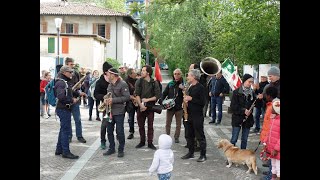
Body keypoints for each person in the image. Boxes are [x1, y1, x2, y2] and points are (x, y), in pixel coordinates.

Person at [102, 68, 130, 157]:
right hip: (109, 111)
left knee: (120, 131)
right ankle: (111, 148)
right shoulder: (109, 85)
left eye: (109, 74)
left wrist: (113, 100)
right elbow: (108, 95)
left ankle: (121, 149)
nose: (107, 75)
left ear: (113, 75)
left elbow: (127, 97)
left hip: (119, 111)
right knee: (109, 130)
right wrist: (105, 99)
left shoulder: (123, 84)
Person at [181, 69, 207, 162]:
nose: (187, 77)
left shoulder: (201, 87)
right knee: (189, 134)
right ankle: (190, 152)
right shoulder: (190, 87)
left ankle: (203, 155)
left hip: (197, 115)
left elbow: (202, 102)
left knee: (199, 135)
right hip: (188, 114)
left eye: (189, 75)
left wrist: (191, 98)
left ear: (194, 77)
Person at [54, 66, 79, 159]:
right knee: (66, 131)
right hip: (63, 109)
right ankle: (66, 152)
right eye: (70, 72)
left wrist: (77, 94)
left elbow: (67, 92)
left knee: (63, 129)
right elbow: (61, 96)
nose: (72, 74)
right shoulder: (61, 82)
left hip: (63, 109)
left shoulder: (64, 81)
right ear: (64, 72)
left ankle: (59, 149)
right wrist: (72, 100)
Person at [135, 65, 161, 150]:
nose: (141, 72)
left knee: (150, 125)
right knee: (140, 125)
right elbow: (137, 95)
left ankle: (150, 142)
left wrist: (147, 100)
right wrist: (141, 105)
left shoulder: (154, 82)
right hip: (141, 107)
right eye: (142, 70)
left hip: (150, 107)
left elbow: (157, 96)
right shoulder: (139, 81)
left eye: (143, 70)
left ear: (148, 72)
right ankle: (142, 141)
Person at [230, 74, 256, 149]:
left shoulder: (253, 93)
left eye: (252, 82)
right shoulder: (236, 92)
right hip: (237, 119)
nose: (250, 84)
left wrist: (260, 99)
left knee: (244, 139)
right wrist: (244, 110)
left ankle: (243, 156)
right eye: (249, 82)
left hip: (248, 119)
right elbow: (233, 107)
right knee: (234, 139)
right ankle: (231, 157)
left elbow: (257, 105)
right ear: (244, 81)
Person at [65, 57, 87, 143]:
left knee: (77, 119)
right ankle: (69, 136)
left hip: (76, 100)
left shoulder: (76, 73)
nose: (72, 67)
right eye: (71, 65)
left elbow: (78, 86)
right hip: (67, 100)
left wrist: (79, 88)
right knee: (68, 120)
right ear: (66, 64)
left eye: (73, 65)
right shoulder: (61, 74)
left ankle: (79, 136)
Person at [260, 87, 279, 180]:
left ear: (269, 95)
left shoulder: (274, 106)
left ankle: (270, 176)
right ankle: (270, 174)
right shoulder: (271, 104)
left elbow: (270, 125)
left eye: (265, 94)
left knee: (274, 161)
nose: (264, 96)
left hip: (272, 138)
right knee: (271, 160)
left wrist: (266, 137)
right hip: (269, 136)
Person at [161, 68, 184, 143]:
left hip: (179, 107)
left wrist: (183, 89)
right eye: (175, 74)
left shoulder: (183, 84)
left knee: (178, 124)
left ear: (181, 75)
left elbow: (188, 94)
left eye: (178, 74)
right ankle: (167, 136)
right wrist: (162, 100)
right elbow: (164, 93)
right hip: (170, 107)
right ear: (173, 75)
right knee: (168, 123)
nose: (176, 75)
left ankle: (176, 137)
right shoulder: (170, 83)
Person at [94, 61, 113, 149]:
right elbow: (96, 94)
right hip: (106, 106)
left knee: (113, 124)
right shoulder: (100, 82)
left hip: (115, 105)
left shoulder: (114, 79)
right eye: (110, 70)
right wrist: (104, 97)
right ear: (106, 71)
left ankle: (112, 141)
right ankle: (103, 141)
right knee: (104, 124)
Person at [263, 99, 280, 180]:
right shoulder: (273, 119)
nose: (271, 109)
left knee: (278, 168)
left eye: (272, 108)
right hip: (271, 149)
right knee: (273, 166)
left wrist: (276, 149)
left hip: (277, 150)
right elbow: (269, 132)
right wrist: (265, 142)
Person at [124, 68, 138, 139]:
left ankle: (142, 132)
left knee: (140, 117)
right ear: (130, 74)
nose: (136, 74)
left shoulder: (137, 80)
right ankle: (131, 132)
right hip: (130, 102)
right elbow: (125, 93)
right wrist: (132, 98)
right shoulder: (125, 81)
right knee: (131, 118)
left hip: (138, 100)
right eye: (134, 73)